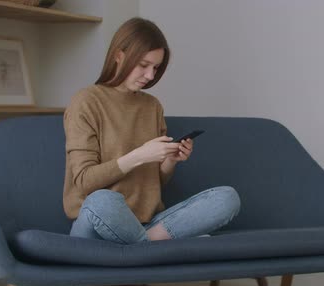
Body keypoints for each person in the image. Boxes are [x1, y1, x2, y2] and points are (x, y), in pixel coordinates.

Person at [63, 17, 240, 243]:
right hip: (98, 222)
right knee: (102, 200)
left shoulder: (152, 106)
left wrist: (170, 161)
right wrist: (139, 155)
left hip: (147, 222)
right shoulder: (85, 101)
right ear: (119, 56)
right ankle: (157, 244)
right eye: (144, 65)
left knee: (226, 198)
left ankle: (143, 242)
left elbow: (153, 184)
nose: (150, 76)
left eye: (155, 68)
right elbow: (84, 181)